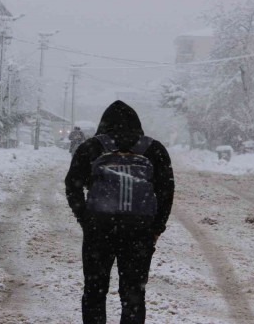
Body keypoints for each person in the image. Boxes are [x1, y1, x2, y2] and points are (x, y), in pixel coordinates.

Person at [65, 100, 174, 324]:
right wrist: (156, 228)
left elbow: (73, 184)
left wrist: (85, 219)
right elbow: (166, 191)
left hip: (99, 229)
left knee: (94, 291)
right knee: (133, 294)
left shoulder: (91, 147)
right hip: (139, 232)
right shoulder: (154, 149)